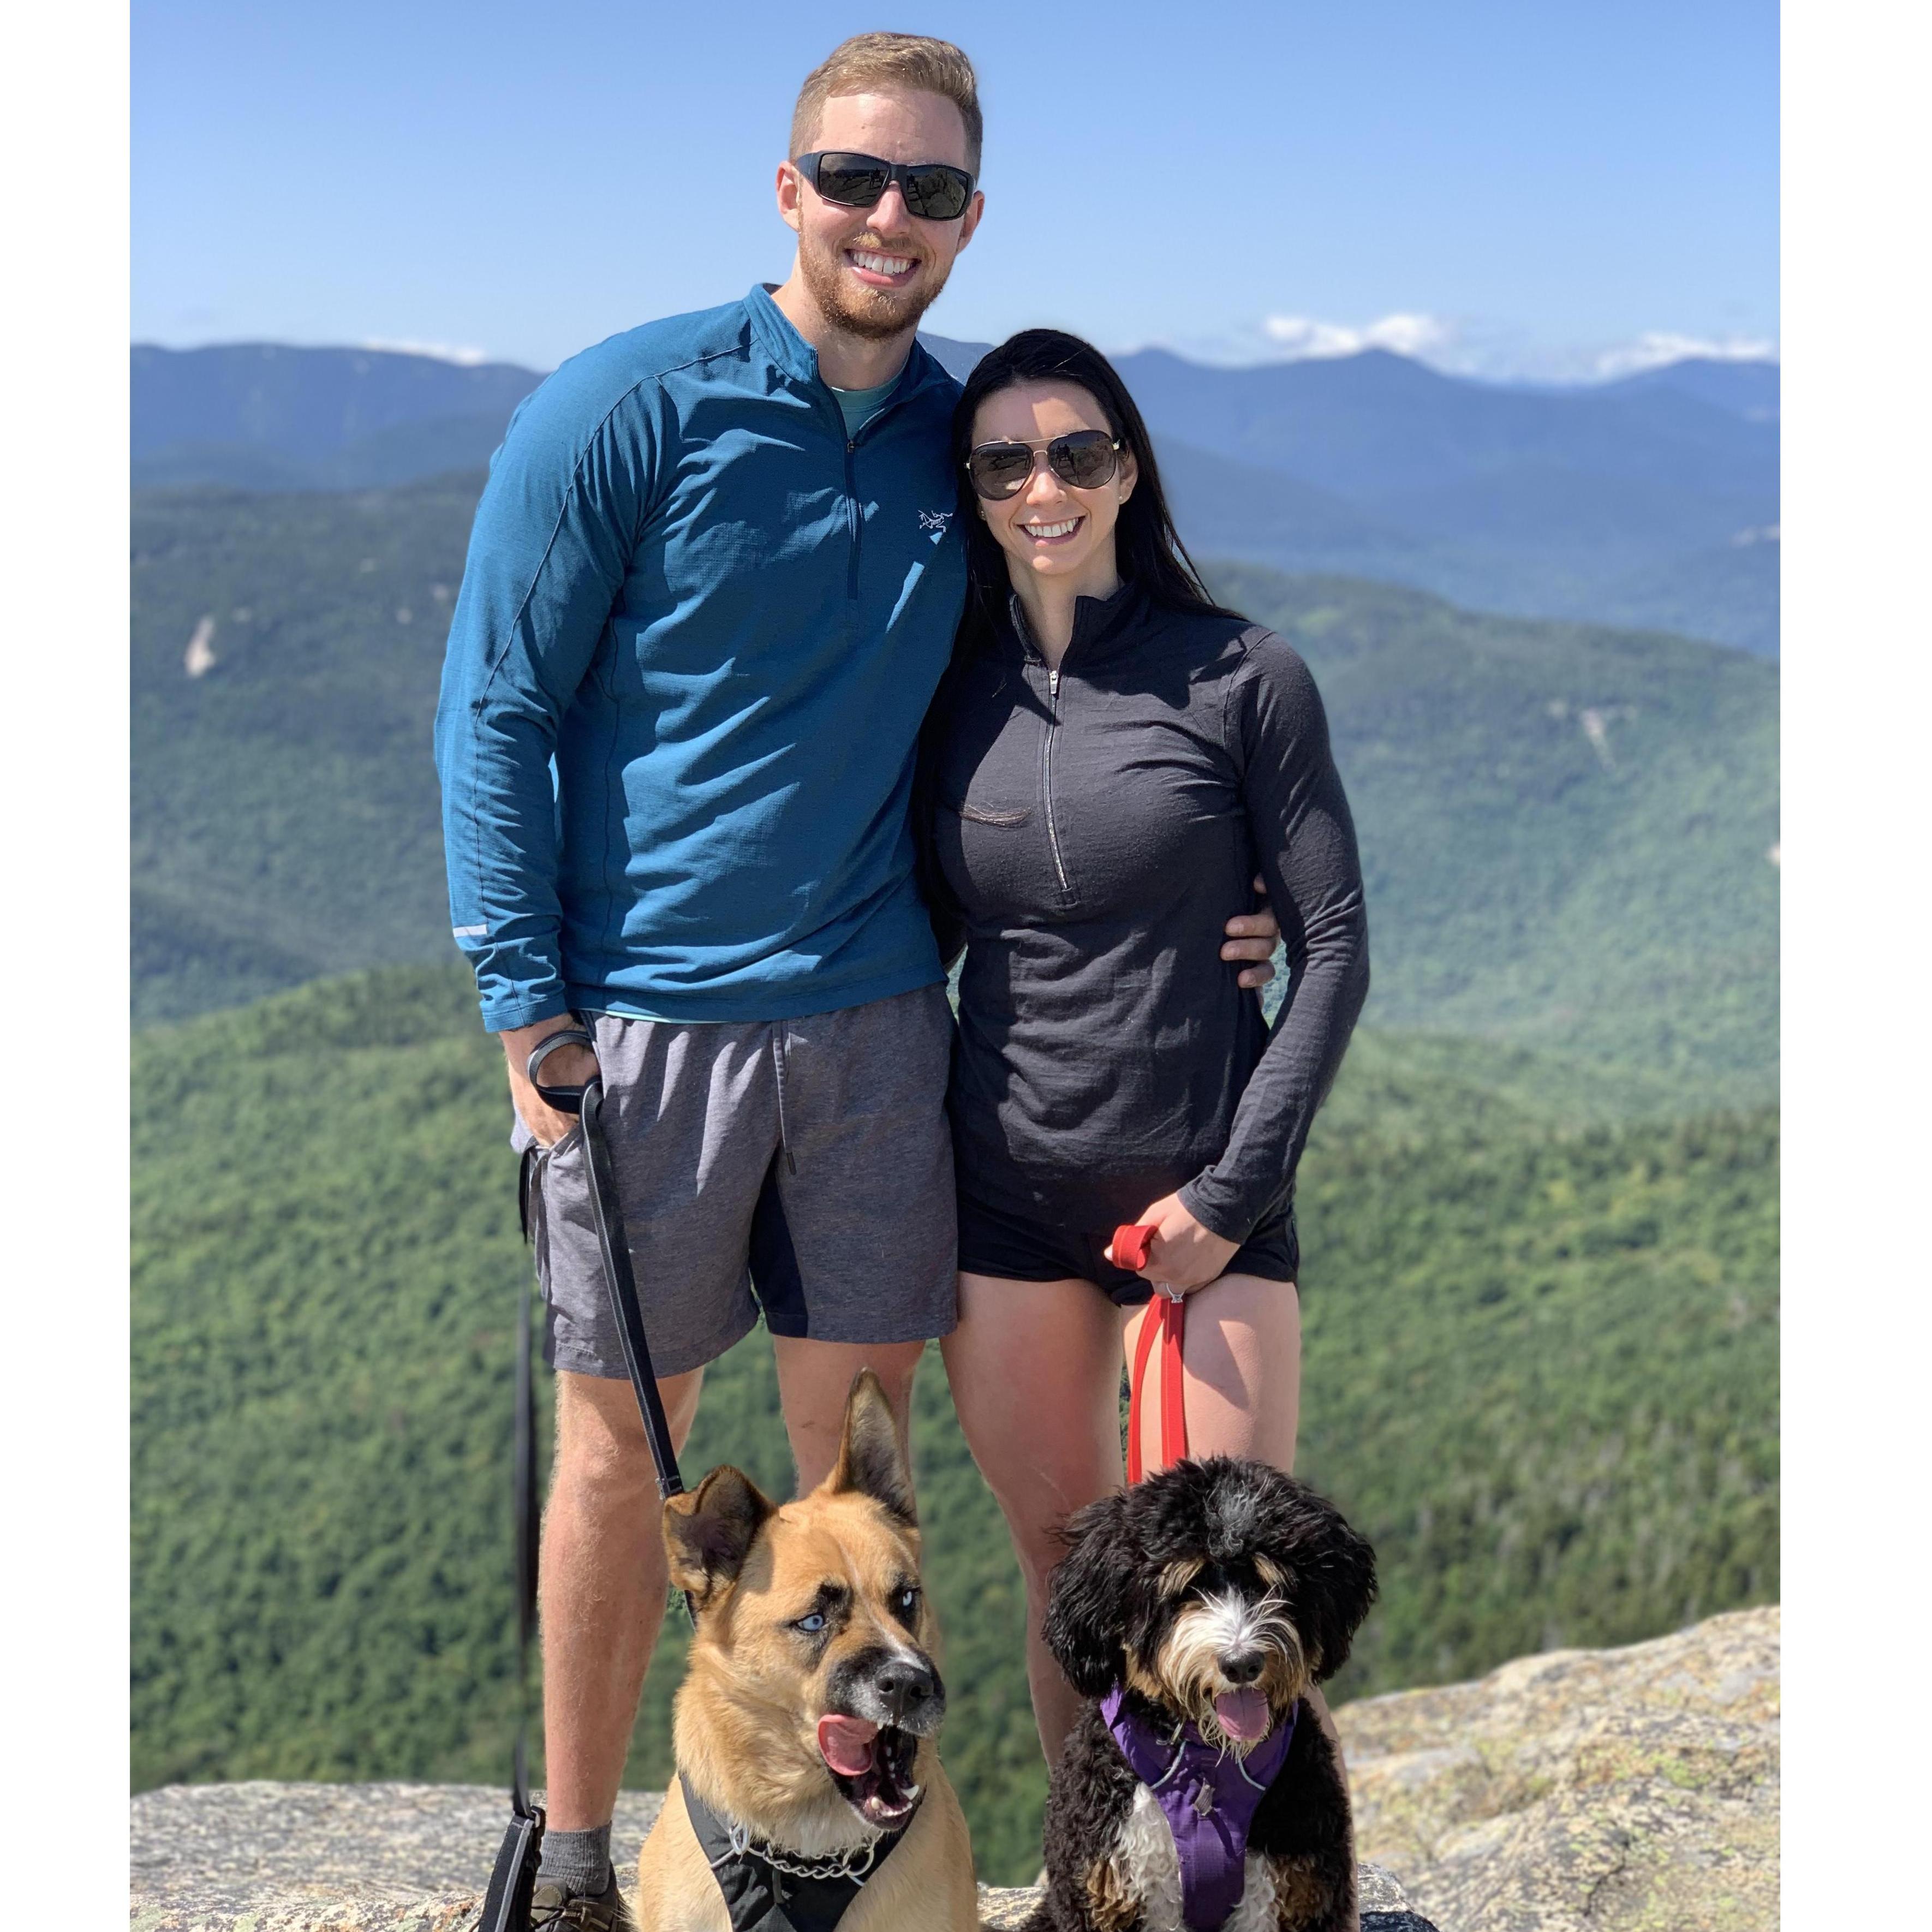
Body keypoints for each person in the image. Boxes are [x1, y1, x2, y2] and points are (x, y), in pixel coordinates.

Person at [433, 38, 1280, 1930]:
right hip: (637, 1026)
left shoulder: (978, 441)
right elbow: (496, 704)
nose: (886, 217)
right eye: (851, 178)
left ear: (974, 219)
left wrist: (1229, 893)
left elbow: (1103, 670)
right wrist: (522, 996)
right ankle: (579, 1857)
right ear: (786, 188)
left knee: (856, 1497)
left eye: (929, 191)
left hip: (889, 1020)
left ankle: (859, 1857)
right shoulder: (621, 407)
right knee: (613, 1454)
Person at [926, 329, 1370, 1790]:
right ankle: (1096, 1887)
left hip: (1210, 1201)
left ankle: (1240, 1885)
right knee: (1076, 1592)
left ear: (1127, 470)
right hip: (1004, 1207)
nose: (1040, 485)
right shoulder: (946, 692)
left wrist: (1233, 1196)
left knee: (1233, 1589)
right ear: (973, 488)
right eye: (1002, 460)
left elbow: (1335, 951)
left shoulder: (1242, 674)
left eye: (1076, 453)